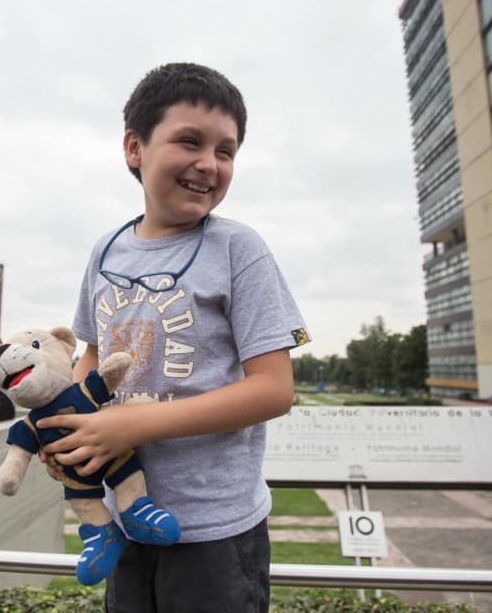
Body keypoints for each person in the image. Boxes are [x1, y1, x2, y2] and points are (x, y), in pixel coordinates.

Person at [38, 62, 310, 612]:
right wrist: (71, 430)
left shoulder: (239, 249)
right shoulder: (105, 251)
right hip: (124, 515)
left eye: (226, 151)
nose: (209, 163)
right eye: (189, 141)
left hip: (215, 530)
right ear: (134, 148)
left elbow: (274, 389)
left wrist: (133, 424)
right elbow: (92, 355)